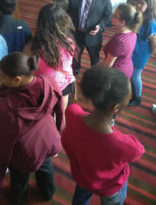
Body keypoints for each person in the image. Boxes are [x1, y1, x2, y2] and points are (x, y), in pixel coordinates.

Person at [61, 65, 145, 205]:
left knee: (80, 198)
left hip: (82, 176)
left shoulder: (72, 112)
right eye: (128, 97)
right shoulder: (125, 145)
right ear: (116, 107)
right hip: (109, 189)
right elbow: (139, 151)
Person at [0, 52, 64, 205]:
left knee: (20, 178)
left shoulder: (4, 108)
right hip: (48, 138)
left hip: (25, 152)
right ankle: (48, 192)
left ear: (17, 80)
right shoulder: (47, 80)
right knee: (45, 166)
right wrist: (59, 127)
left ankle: (19, 200)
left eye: (2, 77)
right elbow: (59, 107)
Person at [52, 0, 112, 75]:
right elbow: (65, 8)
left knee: (94, 58)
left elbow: (108, 17)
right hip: (76, 32)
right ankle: (75, 72)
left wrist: (100, 26)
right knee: (75, 57)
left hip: (93, 35)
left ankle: (94, 75)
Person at [24, 3, 76, 110]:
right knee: (62, 113)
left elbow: (26, 69)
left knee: (47, 115)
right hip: (65, 82)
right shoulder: (69, 42)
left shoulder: (33, 47)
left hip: (45, 88)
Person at [129, 0, 156, 106]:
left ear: (149, 6)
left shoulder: (151, 23)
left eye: (142, 4)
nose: (139, 5)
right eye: (139, 2)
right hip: (133, 51)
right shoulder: (139, 15)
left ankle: (138, 97)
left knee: (136, 76)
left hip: (141, 54)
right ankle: (133, 91)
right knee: (131, 74)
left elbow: (155, 44)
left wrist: (148, 53)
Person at [103, 3, 142, 79]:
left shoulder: (119, 41)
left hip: (116, 74)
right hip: (127, 67)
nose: (112, 16)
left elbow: (107, 65)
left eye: (114, 16)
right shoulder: (132, 32)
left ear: (123, 22)